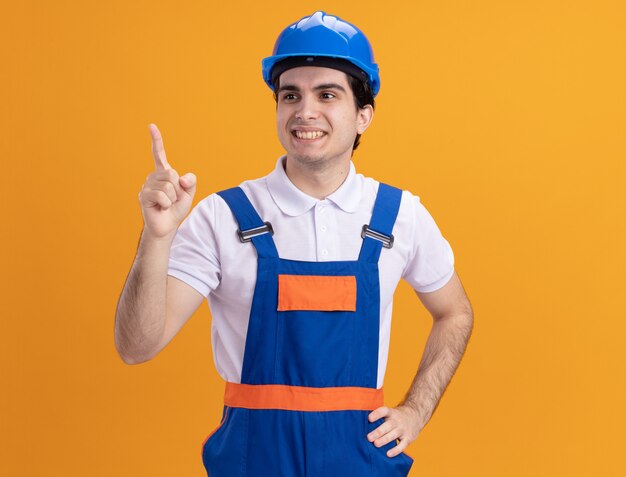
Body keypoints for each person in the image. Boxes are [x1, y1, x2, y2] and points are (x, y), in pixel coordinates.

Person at [115, 10, 474, 477]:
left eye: (327, 94)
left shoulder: (399, 216)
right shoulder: (222, 217)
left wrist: (416, 411)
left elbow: (455, 311)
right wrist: (155, 238)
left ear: (363, 115)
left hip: (360, 460)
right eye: (290, 95)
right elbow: (135, 346)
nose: (305, 111)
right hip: (252, 461)